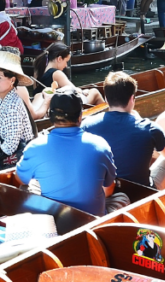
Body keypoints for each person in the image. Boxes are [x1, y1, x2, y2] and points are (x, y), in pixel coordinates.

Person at [17, 87, 117, 216]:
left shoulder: (34, 147)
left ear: (50, 116)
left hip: (55, 220)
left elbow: (20, 179)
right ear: (80, 117)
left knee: (30, 187)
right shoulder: (100, 145)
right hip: (91, 219)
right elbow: (109, 189)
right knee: (122, 197)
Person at [81, 72, 165, 189]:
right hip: (142, 193)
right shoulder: (149, 127)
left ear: (106, 99)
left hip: (104, 191)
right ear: (132, 98)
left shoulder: (86, 125)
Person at [31, 42, 104, 105]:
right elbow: (75, 91)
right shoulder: (57, 73)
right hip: (59, 106)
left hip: (43, 104)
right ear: (59, 59)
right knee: (95, 92)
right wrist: (83, 91)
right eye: (66, 61)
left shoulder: (37, 70)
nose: (66, 65)